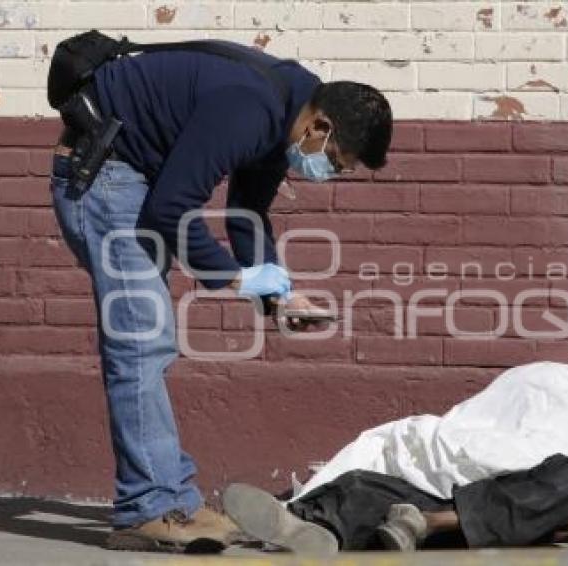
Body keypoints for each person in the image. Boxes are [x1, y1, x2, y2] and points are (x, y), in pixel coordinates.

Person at [49, 38, 393, 553]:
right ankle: (150, 508)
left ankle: (170, 499)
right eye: (338, 162)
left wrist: (278, 295)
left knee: (148, 341)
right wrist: (235, 279)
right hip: (104, 176)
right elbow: (170, 209)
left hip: (133, 175)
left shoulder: (289, 105)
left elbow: (247, 209)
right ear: (320, 128)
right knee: (141, 342)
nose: (332, 173)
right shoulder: (250, 108)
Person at [222, 454, 568, 554]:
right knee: (357, 485)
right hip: (434, 499)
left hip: (511, 514)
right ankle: (302, 525)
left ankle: (430, 522)